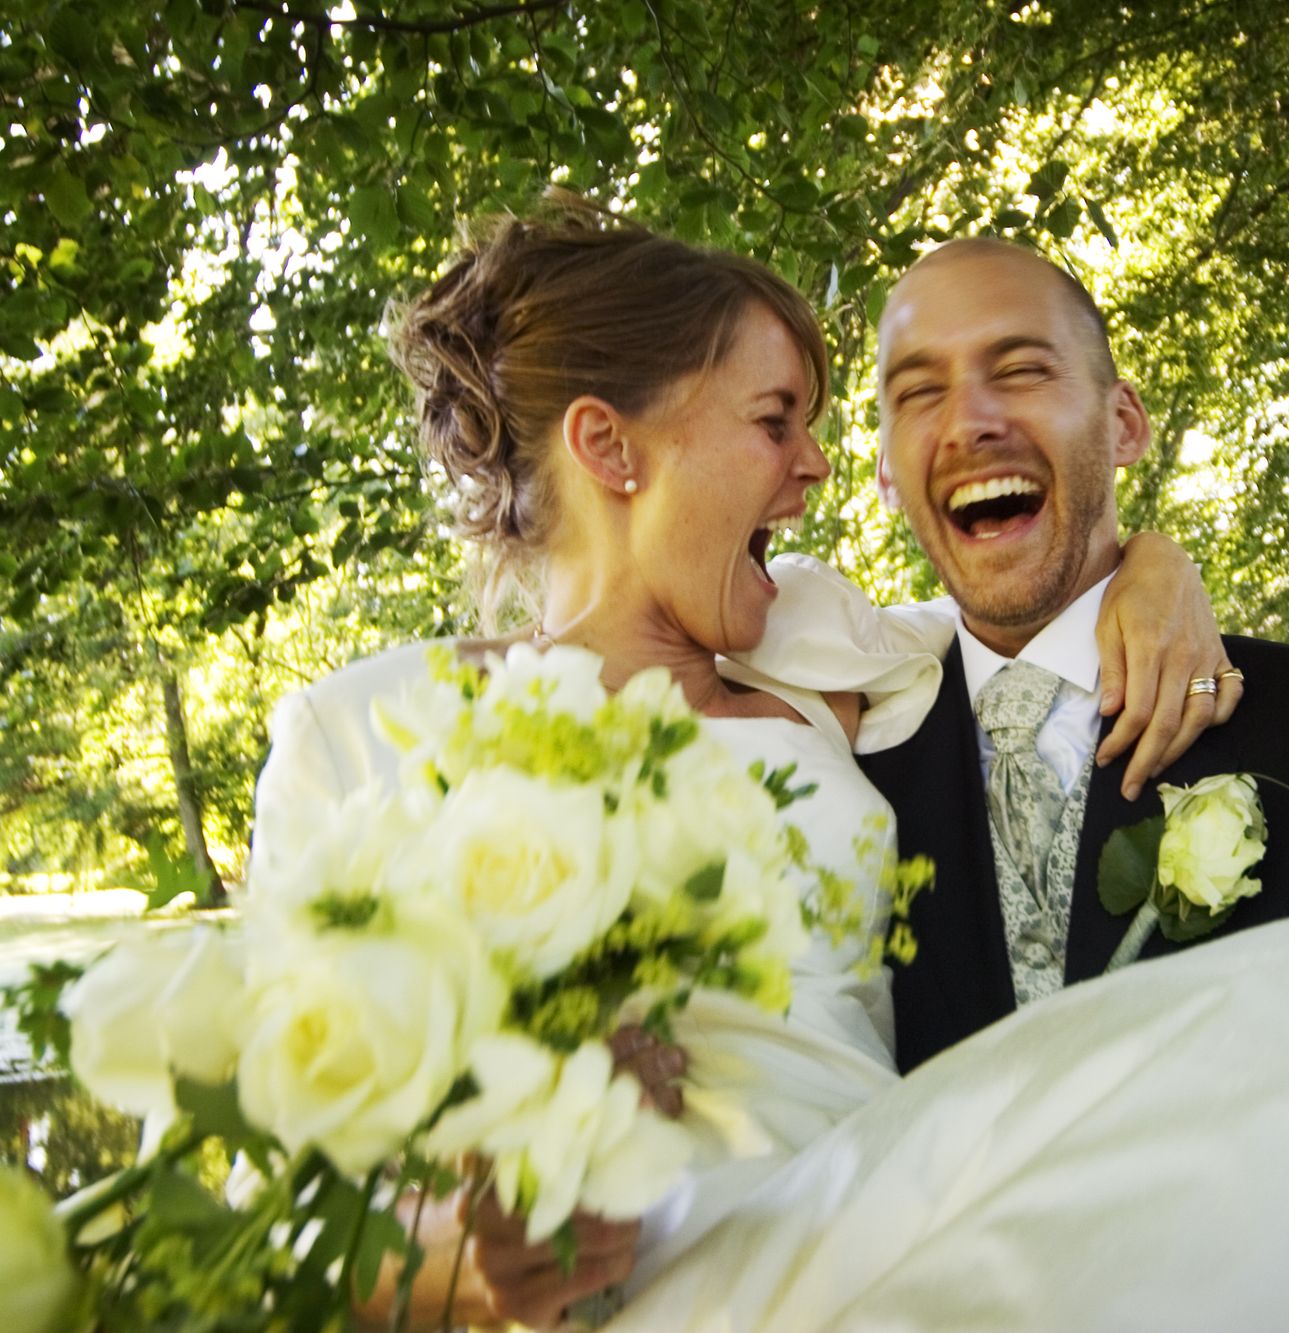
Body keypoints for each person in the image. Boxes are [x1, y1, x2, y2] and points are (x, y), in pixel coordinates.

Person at [251, 197, 1231, 1326]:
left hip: (906, 1264)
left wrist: (1158, 569)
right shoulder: (368, 731)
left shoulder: (824, 652)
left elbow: (1033, 612)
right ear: (608, 446)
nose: (818, 466)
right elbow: (270, 1198)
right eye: (774, 421)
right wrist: (464, 1263)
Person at [860, 238, 1289, 1070]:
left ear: (1124, 423)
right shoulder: (836, 761)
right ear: (885, 473)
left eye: (1020, 371)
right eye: (919, 391)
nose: (970, 419)